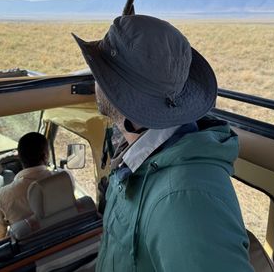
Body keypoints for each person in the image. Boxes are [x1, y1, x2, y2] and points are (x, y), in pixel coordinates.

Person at [73, 15, 254, 271]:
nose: (95, 80)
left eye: (102, 74)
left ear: (118, 94)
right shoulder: (138, 159)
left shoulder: (184, 200)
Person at [0, 132, 53, 244]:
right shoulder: (66, 179)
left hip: (27, 250)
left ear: (19, 157)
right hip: (59, 236)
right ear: (46, 155)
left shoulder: (1, 196)